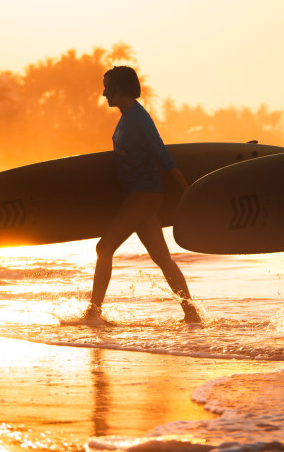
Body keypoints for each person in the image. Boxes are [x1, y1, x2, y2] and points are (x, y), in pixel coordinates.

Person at [81, 65, 202, 324]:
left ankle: (93, 313)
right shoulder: (126, 117)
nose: (104, 93)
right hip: (138, 195)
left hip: (145, 194)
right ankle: (192, 315)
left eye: (108, 87)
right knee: (162, 258)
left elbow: (164, 157)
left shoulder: (139, 119)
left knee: (104, 247)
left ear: (121, 88)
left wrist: (189, 192)